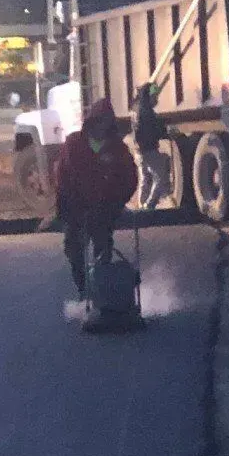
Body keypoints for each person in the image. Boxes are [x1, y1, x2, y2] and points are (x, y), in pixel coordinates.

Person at [53, 94, 138, 300]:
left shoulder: (118, 149)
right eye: (99, 121)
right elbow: (61, 175)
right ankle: (85, 289)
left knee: (103, 247)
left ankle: (103, 292)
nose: (102, 127)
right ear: (92, 122)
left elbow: (129, 179)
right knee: (74, 248)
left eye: (106, 122)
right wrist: (68, 204)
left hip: (104, 209)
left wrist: (115, 204)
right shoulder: (74, 144)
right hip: (75, 207)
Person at [133, 81, 172, 213]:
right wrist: (166, 133)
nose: (156, 98)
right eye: (154, 96)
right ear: (148, 96)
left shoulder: (137, 109)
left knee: (145, 179)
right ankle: (149, 206)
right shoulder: (147, 112)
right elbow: (153, 130)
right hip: (148, 150)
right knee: (161, 178)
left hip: (140, 151)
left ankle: (141, 208)